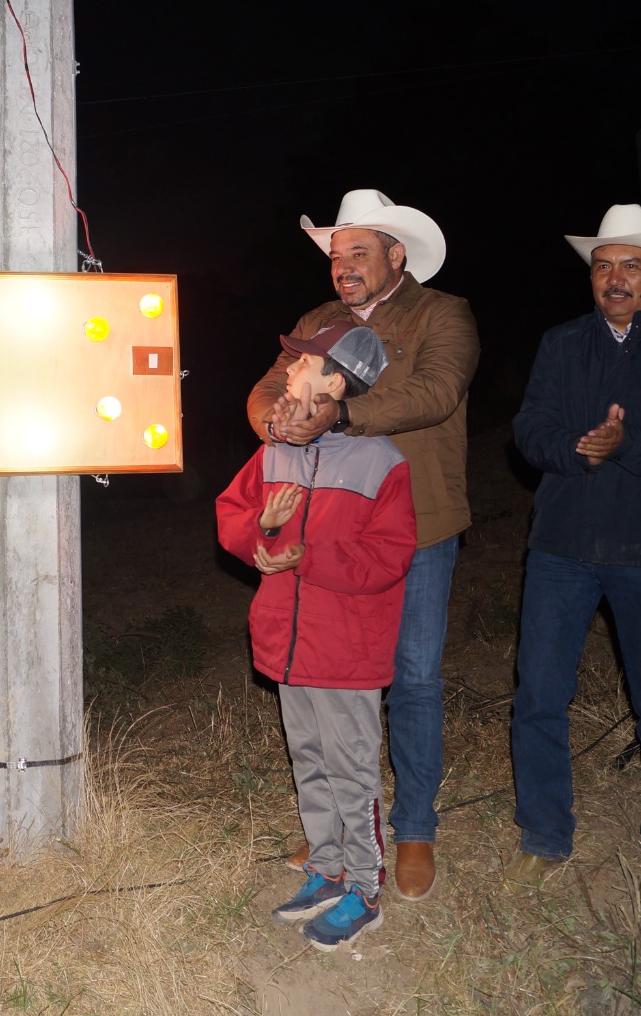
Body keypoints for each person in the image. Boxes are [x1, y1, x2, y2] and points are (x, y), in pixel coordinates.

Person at [248, 189, 478, 901]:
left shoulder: (445, 313)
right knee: (328, 678)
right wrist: (277, 420)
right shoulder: (316, 322)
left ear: (396, 255)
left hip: (421, 526)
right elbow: (263, 388)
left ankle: (413, 827)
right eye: (336, 256)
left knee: (410, 677)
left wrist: (335, 415)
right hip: (331, 532)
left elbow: (434, 394)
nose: (343, 268)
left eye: (359, 253)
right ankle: (344, 832)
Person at [503, 204, 641, 910]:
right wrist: (576, 448)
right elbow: (528, 427)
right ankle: (544, 834)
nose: (615, 278)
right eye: (603, 266)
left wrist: (626, 445)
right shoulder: (562, 343)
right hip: (561, 546)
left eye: (631, 265)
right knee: (539, 694)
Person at [220, 320, 416, 950]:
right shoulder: (275, 449)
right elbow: (232, 517)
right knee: (308, 759)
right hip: (289, 643)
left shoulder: (381, 462)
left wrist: (303, 552)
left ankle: (364, 887)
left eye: (300, 362)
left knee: (352, 769)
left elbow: (388, 560)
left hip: (346, 650)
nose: (288, 369)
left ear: (333, 380)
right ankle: (327, 869)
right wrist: (263, 538)